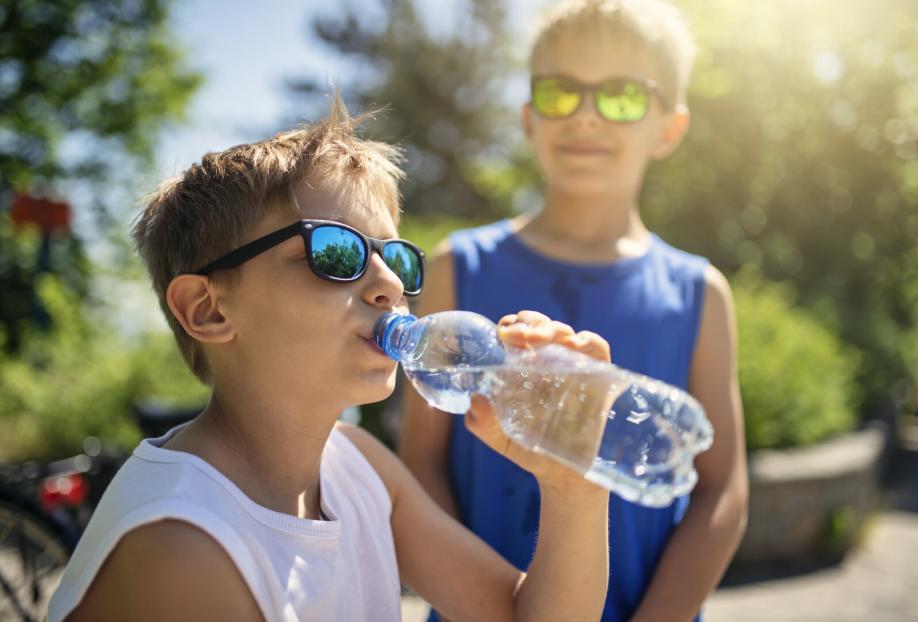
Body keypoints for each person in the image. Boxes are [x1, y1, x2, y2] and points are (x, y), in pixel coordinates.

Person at [47, 96, 614, 622]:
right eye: (336, 251)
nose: (391, 284)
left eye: (397, 257)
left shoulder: (358, 466)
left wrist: (573, 486)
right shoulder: (184, 546)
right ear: (208, 310)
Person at [399, 1, 748, 620]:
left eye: (621, 96)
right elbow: (421, 462)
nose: (586, 115)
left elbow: (723, 489)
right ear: (530, 119)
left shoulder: (700, 293)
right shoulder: (459, 267)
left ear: (668, 127)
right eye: (561, 92)